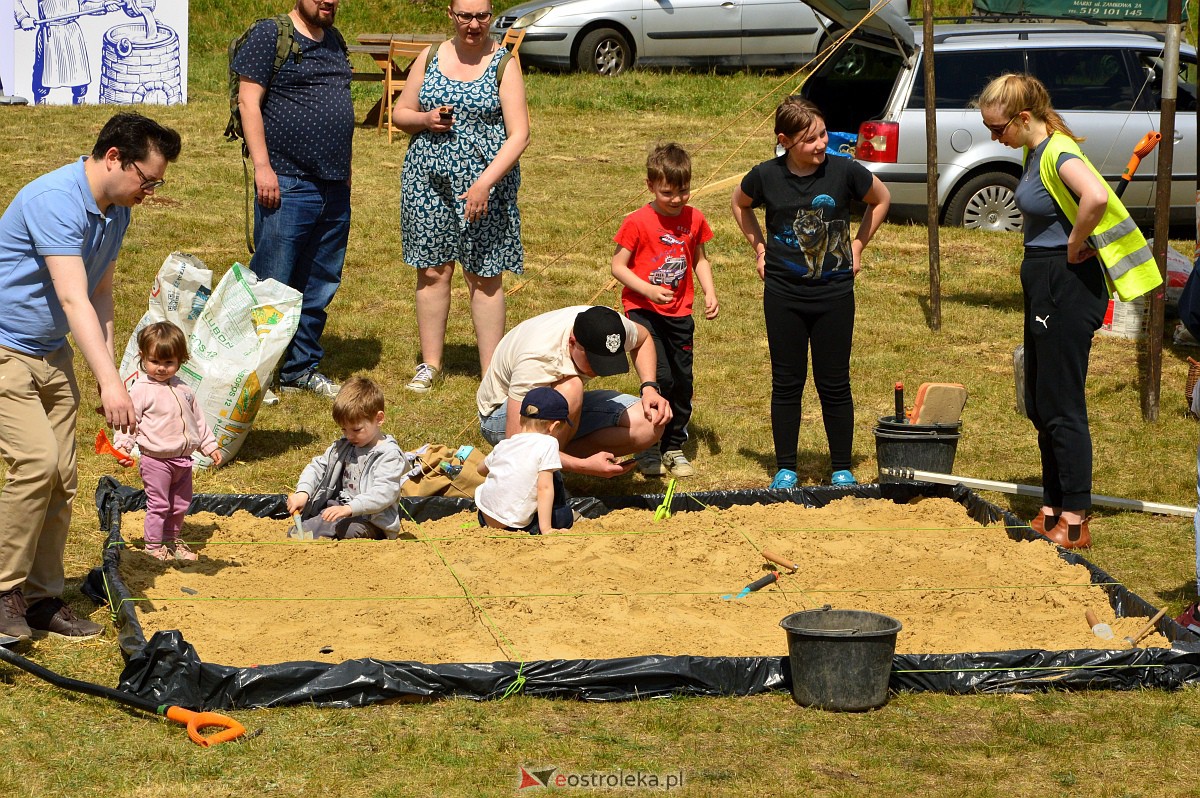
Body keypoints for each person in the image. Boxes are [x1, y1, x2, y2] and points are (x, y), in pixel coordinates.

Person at [0, 111, 180, 642]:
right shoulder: (53, 201)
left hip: (50, 351)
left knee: (63, 477)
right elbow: (72, 295)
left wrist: (115, 375)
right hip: (6, 349)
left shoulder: (114, 210)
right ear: (113, 159)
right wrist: (107, 382)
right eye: (146, 179)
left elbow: (100, 293)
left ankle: (40, 600)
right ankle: (2, 591)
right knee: (35, 463)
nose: (149, 191)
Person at [976, 74, 1159, 550]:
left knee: (1062, 402)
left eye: (998, 129)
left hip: (1066, 283)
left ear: (1022, 117)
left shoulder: (1058, 152)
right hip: (1044, 278)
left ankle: (1075, 519)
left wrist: (1075, 244)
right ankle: (1053, 506)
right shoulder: (1033, 151)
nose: (994, 137)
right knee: (1040, 398)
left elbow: (1096, 197)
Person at [731, 95, 890, 490]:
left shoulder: (844, 171)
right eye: (810, 140)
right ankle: (786, 467)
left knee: (834, 381)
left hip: (834, 293)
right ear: (784, 141)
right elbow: (740, 204)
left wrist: (856, 246)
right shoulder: (766, 176)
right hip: (783, 292)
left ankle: (841, 467)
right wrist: (759, 248)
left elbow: (881, 199)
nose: (821, 144)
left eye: (822, 134)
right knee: (787, 381)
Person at [391, 0, 530, 394]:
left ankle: (491, 374)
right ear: (451, 15)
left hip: (485, 188)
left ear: (491, 16)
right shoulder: (431, 56)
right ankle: (430, 364)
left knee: (484, 275)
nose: (473, 24)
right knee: (433, 269)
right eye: (465, 16)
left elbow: (519, 134)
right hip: (427, 181)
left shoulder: (504, 63)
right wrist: (425, 119)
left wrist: (484, 183)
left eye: (482, 16)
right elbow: (401, 112)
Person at [233, 0, 353, 399]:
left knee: (319, 285)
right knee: (272, 281)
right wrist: (263, 167)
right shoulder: (270, 33)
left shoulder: (334, 40)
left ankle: (300, 369)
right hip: (286, 181)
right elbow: (248, 101)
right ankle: (254, 373)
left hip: (334, 185)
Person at [611, 142, 717, 479]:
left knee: (682, 382)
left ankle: (673, 446)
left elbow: (699, 259)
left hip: (680, 313)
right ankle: (647, 446)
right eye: (668, 192)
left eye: (683, 190)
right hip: (643, 310)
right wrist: (647, 290)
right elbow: (618, 266)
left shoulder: (694, 218)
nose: (677, 199)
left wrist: (709, 292)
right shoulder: (638, 221)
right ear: (651, 186)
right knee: (659, 378)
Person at [476, 305, 672, 478]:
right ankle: (546, 480)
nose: (598, 371)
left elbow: (644, 337)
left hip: (554, 407)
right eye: (594, 362)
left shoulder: (610, 327)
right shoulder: (537, 358)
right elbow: (515, 442)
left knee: (650, 423)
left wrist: (649, 388)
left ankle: (552, 462)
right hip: (498, 416)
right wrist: (583, 466)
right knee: (571, 387)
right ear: (572, 342)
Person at [112, 322, 223, 562]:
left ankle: (171, 540)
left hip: (183, 460)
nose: (161, 368)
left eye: (169, 363)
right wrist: (123, 446)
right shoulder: (141, 389)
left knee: (180, 503)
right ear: (143, 357)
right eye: (155, 362)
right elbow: (130, 421)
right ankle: (153, 546)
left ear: (180, 360)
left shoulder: (183, 389)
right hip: (155, 460)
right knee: (159, 504)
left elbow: (198, 421)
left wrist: (209, 445)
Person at [287, 377, 411, 540]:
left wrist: (350, 509)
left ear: (379, 419)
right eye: (344, 429)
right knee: (296, 532)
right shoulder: (344, 446)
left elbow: (384, 492)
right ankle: (328, 530)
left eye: (356, 429)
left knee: (349, 530)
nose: (349, 435)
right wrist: (303, 492)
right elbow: (318, 467)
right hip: (341, 508)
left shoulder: (389, 455)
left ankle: (336, 535)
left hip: (373, 520)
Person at [476, 387, 575, 535]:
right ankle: (554, 515)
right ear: (553, 426)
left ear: (521, 418)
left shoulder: (505, 444)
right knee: (564, 514)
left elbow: (481, 469)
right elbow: (545, 488)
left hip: (484, 514)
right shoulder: (548, 443)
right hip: (512, 524)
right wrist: (546, 529)